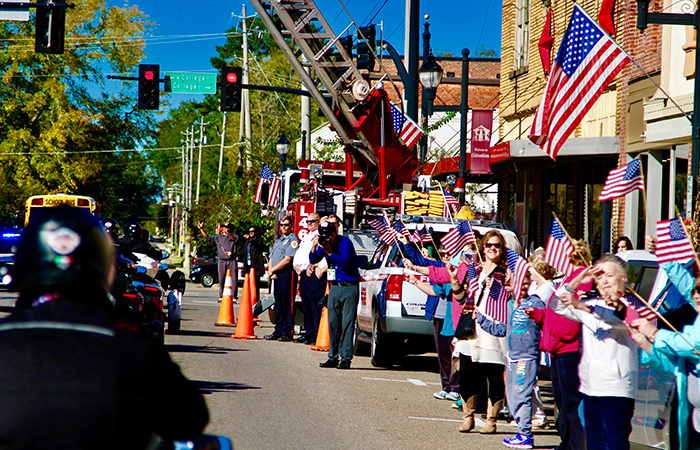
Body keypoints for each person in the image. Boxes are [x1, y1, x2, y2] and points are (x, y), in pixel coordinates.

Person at [0, 205, 209, 448]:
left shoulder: (5, 337)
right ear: (101, 263)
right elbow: (190, 419)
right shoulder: (130, 340)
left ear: (25, 263)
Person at [552, 255, 639, 450]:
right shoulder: (592, 304)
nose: (605, 281)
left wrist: (583, 307)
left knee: (614, 445)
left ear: (623, 278)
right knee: (593, 445)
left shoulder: (632, 306)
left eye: (609, 275)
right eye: (600, 277)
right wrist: (576, 281)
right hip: (591, 389)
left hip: (616, 391)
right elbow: (556, 305)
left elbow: (622, 321)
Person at [624, 235, 700, 450]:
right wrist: (645, 344)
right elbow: (676, 366)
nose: (695, 296)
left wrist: (656, 334)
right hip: (693, 418)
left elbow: (692, 346)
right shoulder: (697, 314)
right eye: (696, 290)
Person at [478, 263, 555, 449]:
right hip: (512, 357)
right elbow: (505, 329)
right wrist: (482, 319)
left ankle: (525, 435)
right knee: (512, 397)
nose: (519, 287)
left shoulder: (536, 302)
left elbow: (547, 318)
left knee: (522, 394)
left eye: (524, 282)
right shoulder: (514, 305)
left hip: (525, 358)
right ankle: (521, 432)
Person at [444, 230, 510, 434]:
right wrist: (455, 281)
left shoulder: (507, 271)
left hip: (492, 328)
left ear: (502, 249)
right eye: (489, 245)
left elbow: (510, 298)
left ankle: (491, 419)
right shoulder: (475, 269)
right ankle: (468, 416)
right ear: (483, 247)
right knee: (466, 373)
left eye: (497, 245)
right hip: (471, 328)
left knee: (494, 374)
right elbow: (464, 299)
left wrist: (497, 288)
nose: (492, 248)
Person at [526, 242, 590, 450]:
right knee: (562, 400)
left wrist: (557, 335)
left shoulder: (584, 281)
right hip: (557, 347)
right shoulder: (566, 280)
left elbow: (575, 317)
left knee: (571, 402)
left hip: (569, 348)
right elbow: (555, 311)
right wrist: (537, 314)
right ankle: (567, 442)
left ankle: (575, 444)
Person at [401, 234, 460, 402]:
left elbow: (423, 264)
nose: (446, 256)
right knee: (442, 355)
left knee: (455, 354)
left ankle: (456, 387)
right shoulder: (443, 269)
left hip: (454, 318)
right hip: (440, 316)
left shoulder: (457, 270)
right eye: (444, 253)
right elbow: (436, 291)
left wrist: (413, 260)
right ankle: (446, 386)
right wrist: (415, 281)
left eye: (449, 253)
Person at [312, 220, 361, 369]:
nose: (329, 238)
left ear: (335, 232)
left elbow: (344, 262)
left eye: (331, 235)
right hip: (334, 287)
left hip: (349, 287)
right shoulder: (325, 243)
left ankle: (346, 358)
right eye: (325, 235)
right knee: (333, 323)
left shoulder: (345, 242)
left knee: (347, 324)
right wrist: (314, 247)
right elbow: (313, 260)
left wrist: (329, 251)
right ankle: (332, 356)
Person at [264, 216, 299, 341]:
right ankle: (278, 330)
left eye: (286, 225)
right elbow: (271, 257)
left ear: (291, 226)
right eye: (282, 225)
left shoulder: (293, 240)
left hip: (286, 274)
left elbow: (287, 260)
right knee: (278, 304)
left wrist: (273, 269)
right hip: (276, 274)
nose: (283, 227)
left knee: (287, 304)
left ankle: (287, 331)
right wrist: (270, 270)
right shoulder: (279, 240)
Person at [292, 213, 325, 344]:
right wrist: (296, 266)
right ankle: (309, 331)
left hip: (312, 274)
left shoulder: (320, 236)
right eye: (307, 221)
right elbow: (300, 253)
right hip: (304, 274)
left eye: (312, 221)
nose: (309, 223)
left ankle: (317, 333)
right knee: (306, 304)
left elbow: (312, 256)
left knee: (315, 305)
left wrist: (305, 266)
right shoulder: (307, 237)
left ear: (318, 222)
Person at [197, 221, 240, 303]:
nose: (225, 229)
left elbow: (234, 239)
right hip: (222, 261)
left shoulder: (234, 236)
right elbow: (207, 237)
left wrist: (229, 233)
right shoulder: (218, 238)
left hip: (232, 260)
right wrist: (201, 229)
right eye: (224, 227)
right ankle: (221, 295)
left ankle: (234, 296)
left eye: (227, 227)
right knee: (221, 278)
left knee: (234, 279)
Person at [242, 225, 266, 302]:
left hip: (256, 266)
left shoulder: (259, 240)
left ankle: (255, 300)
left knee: (255, 285)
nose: (251, 233)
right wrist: (232, 254)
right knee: (248, 284)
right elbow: (244, 253)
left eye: (252, 231)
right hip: (248, 265)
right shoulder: (247, 242)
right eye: (249, 231)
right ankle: (248, 300)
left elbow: (259, 247)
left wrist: (251, 240)